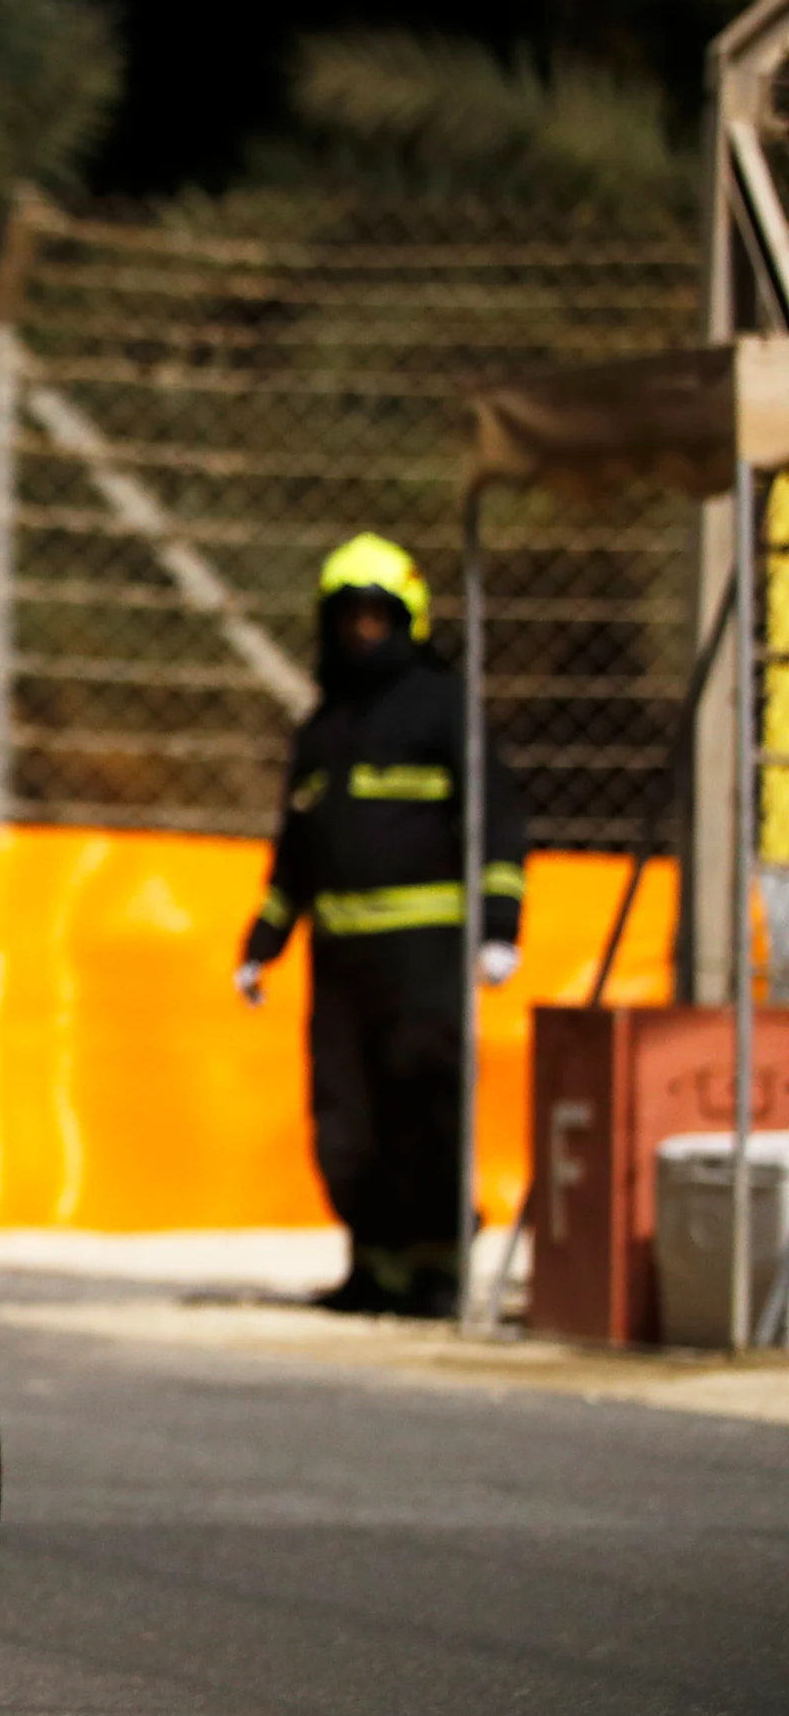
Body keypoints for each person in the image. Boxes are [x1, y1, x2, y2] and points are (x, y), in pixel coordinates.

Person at [236, 533, 526, 1317]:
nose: (361, 631)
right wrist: (263, 943)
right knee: (346, 1117)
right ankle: (374, 1268)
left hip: (423, 956)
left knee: (422, 1109)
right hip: (341, 964)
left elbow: (493, 815)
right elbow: (295, 852)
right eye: (347, 616)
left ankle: (436, 1271)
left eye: (376, 615)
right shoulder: (323, 726)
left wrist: (500, 923)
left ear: (407, 619)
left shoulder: (442, 707)